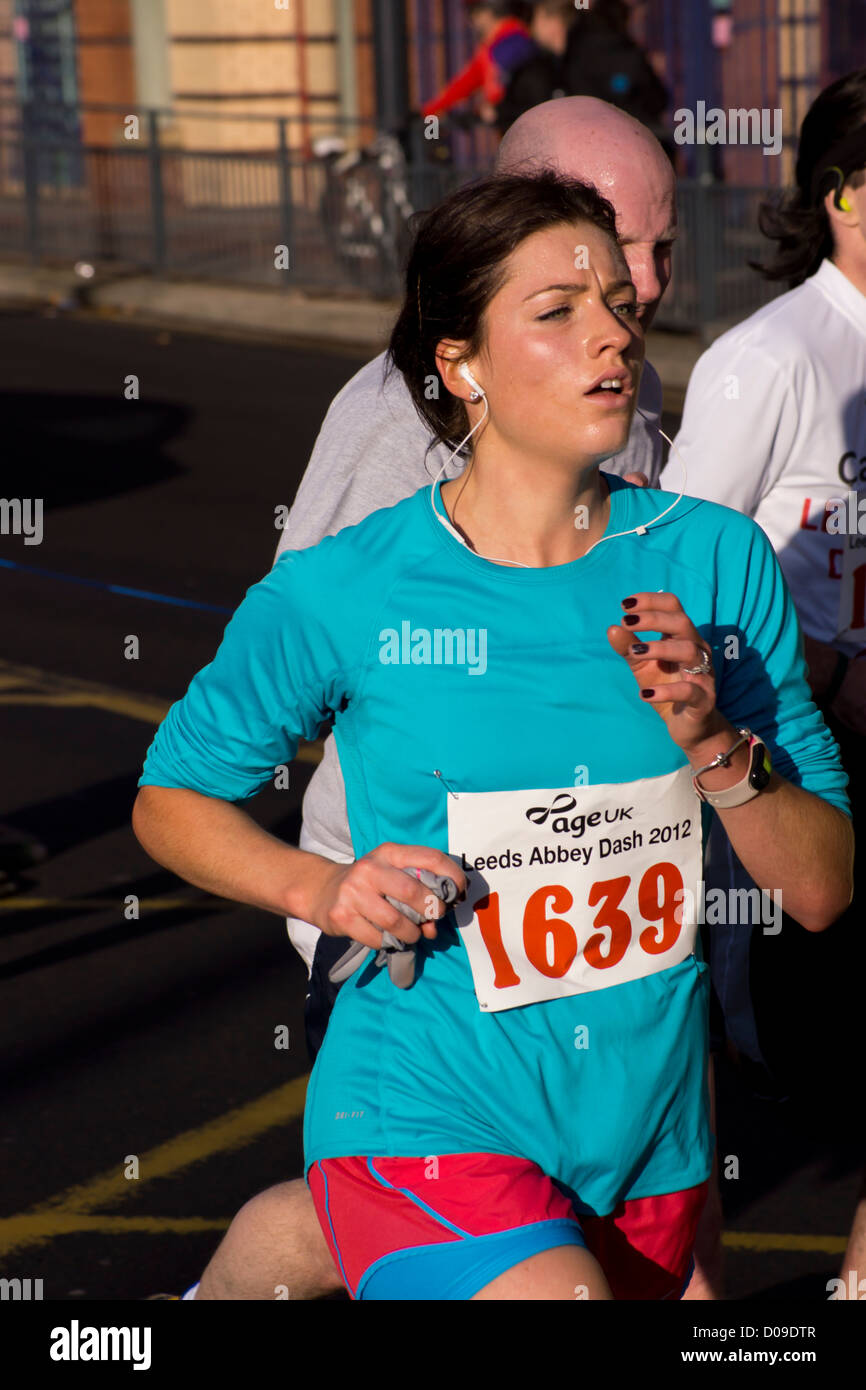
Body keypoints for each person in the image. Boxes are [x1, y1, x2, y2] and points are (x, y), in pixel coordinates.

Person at [134, 167, 853, 1301]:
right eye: (557, 313)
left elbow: (817, 890)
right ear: (458, 363)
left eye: (618, 301)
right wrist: (319, 893)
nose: (611, 337)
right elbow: (169, 798)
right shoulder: (347, 591)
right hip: (423, 1093)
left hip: (640, 1128)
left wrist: (713, 741)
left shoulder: (712, 561)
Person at [173, 99, 695, 1304]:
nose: (650, 285)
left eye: (662, 253)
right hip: (418, 928)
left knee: (360, 1215)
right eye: (620, 248)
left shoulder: (626, 374)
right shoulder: (400, 422)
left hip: (588, 911)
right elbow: (296, 651)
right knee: (475, 1218)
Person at [659, 68, 866, 1292]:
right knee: (731, 1071)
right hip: (784, 768)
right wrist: (817, 666)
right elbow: (669, 581)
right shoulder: (770, 358)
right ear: (846, 197)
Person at [565, 0, 668, 140]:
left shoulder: (574, 44)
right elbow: (658, 100)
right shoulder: (629, 56)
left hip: (590, 135)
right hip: (632, 138)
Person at [421, 2, 535, 128]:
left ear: (487, 13)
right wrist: (429, 110)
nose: (472, 21)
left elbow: (514, 86)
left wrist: (498, 108)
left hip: (522, 122)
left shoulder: (514, 40)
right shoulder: (491, 47)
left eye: (473, 13)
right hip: (509, 123)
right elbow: (464, 83)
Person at [495, 1, 575, 135]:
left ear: (554, 21)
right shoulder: (552, 62)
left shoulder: (579, 58)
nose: (532, 26)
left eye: (536, 18)